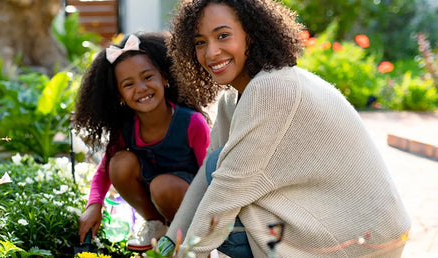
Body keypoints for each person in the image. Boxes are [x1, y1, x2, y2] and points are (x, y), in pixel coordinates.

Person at [157, 0, 411, 257]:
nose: (211, 52)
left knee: (225, 202)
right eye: (200, 42)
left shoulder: (272, 88)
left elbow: (225, 191)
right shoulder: (232, 99)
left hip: (360, 239)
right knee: (216, 169)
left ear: (251, 35)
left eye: (223, 35)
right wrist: (169, 244)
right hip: (340, 225)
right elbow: (206, 178)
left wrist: (186, 254)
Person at [73, 31, 211, 252]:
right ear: (119, 95)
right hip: (156, 199)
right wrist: (94, 205)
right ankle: (156, 225)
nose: (141, 88)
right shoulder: (126, 127)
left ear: (165, 77)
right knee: (118, 163)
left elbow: (210, 173)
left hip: (192, 203)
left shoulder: (191, 122)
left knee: (162, 186)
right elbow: (104, 171)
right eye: (128, 84)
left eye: (148, 77)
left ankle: (185, 239)